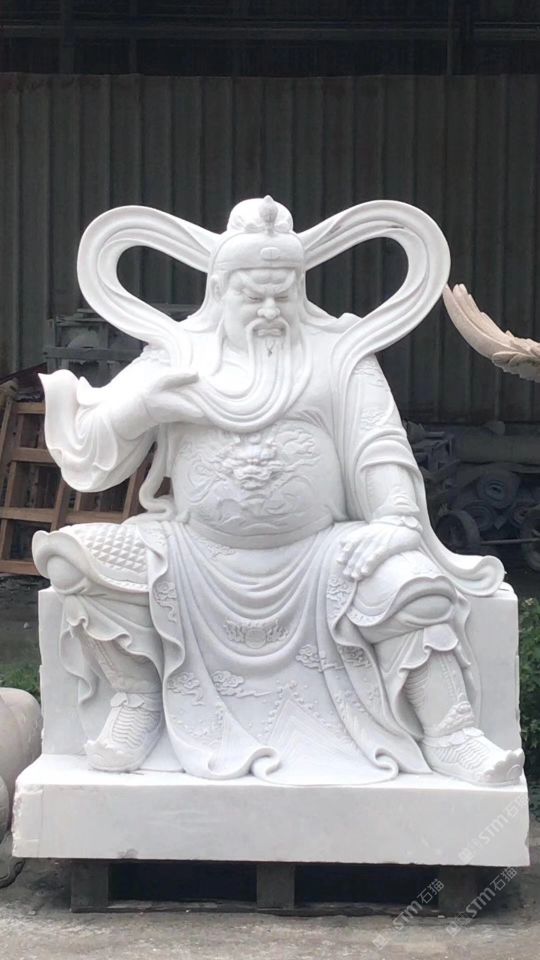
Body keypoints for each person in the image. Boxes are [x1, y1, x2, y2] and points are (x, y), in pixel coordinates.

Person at [33, 197, 524, 786]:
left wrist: (395, 521)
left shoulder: (339, 354)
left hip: (321, 556)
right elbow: (91, 463)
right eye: (252, 295)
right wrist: (141, 407)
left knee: (414, 586)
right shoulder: (177, 354)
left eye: (282, 294)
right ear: (221, 290)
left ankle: (453, 733)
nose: (269, 309)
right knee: (74, 560)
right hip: (191, 558)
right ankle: (137, 701)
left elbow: (379, 446)